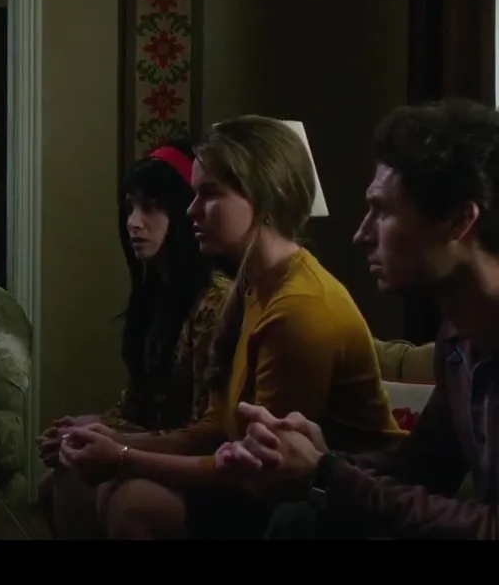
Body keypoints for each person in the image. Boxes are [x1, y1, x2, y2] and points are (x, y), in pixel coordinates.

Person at [58, 115, 403, 539]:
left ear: (264, 199)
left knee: (136, 501)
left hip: (326, 506)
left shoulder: (299, 308)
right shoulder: (251, 284)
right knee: (76, 480)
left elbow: (262, 471)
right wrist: (109, 441)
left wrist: (124, 457)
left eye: (210, 194)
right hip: (258, 480)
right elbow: (218, 426)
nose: (191, 210)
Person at [221, 100, 498, 539]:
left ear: (459, 220)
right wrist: (317, 461)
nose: (361, 234)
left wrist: (327, 474)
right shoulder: (458, 340)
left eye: (383, 211)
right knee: (299, 514)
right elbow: (422, 469)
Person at [37, 142, 231, 538]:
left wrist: (118, 442)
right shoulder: (155, 294)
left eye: (151, 208)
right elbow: (138, 402)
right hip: (153, 444)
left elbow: (208, 429)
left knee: (130, 501)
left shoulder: (217, 300)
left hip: (199, 463)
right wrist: (87, 428)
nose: (134, 223)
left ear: (182, 211)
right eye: (130, 208)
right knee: (63, 467)